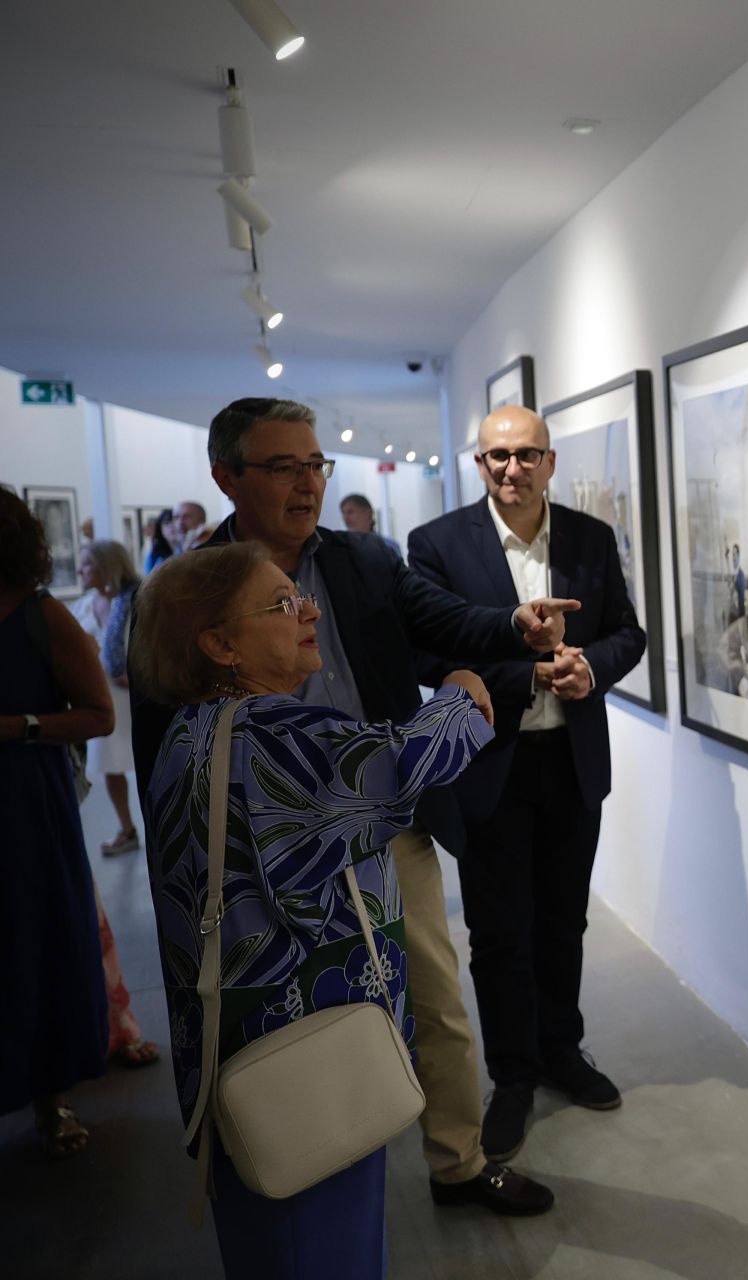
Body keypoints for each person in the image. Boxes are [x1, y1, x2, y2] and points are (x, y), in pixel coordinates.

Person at [130, 396, 571, 1216]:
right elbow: (161, 735)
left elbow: (437, 622)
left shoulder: (363, 559)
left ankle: (456, 1162)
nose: (306, 484)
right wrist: (462, 701)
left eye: (315, 465)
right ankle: (299, 1157)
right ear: (226, 476)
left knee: (431, 998)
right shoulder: (190, 589)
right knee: (286, 1020)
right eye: (282, 466)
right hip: (258, 855)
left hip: (383, 827)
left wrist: (510, 625)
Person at [133, 540, 499, 1277]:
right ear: (218, 644)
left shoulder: (196, 732)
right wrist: (463, 690)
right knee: (320, 1247)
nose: (309, 611)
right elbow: (400, 765)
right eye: (281, 604)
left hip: (250, 1056)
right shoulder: (272, 737)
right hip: (309, 1061)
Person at [408, 403, 648, 1163]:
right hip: (489, 766)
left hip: (570, 761)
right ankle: (512, 1075)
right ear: (478, 465)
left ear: (550, 462)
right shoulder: (439, 545)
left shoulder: (590, 538)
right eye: (497, 456)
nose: (512, 469)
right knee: (501, 932)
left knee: (563, 922)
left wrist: (591, 667)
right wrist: (530, 673)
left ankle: (561, 1051)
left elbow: (627, 633)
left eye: (526, 455)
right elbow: (424, 655)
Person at [0, 489, 113, 1158]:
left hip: (24, 807)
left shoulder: (42, 616)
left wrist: (18, 727)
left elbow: (100, 715)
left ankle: (50, 1092)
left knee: (35, 941)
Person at [75, 539, 142, 854]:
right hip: (105, 698)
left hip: (138, 699)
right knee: (113, 768)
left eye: (87, 563)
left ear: (106, 565)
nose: (80, 570)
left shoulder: (139, 599)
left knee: (149, 766)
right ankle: (126, 829)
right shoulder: (87, 603)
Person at [338, 492, 402, 557]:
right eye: (343, 513)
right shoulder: (340, 547)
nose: (345, 518)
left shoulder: (388, 546)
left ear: (368, 513)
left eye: (350, 512)